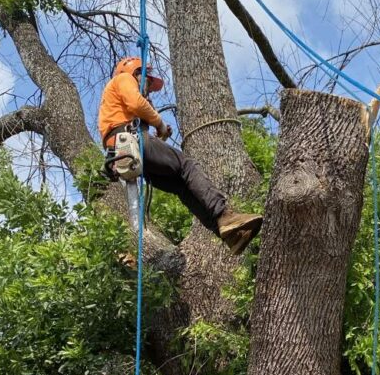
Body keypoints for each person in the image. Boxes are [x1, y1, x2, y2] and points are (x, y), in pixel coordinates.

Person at [98, 57, 263, 255]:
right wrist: (158, 123)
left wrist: (159, 131)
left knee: (182, 187)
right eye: (148, 82)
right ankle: (224, 213)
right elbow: (135, 103)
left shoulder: (118, 104)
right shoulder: (124, 79)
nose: (148, 88)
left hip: (129, 147)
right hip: (130, 140)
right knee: (186, 165)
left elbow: (135, 112)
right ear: (136, 72)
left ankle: (226, 232)